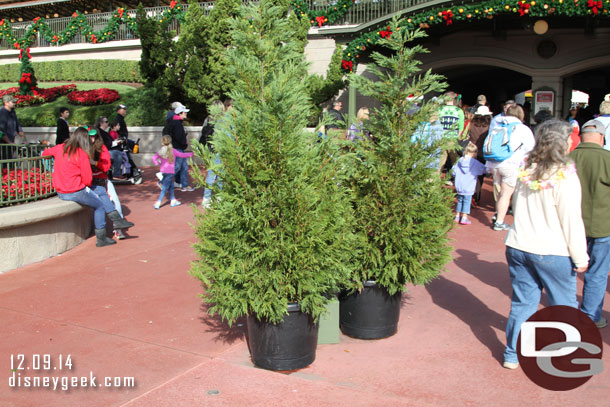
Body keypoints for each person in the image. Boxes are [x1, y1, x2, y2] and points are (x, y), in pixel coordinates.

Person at [502, 119, 589, 370]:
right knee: (563, 305)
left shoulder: (526, 168)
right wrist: (580, 257)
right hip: (552, 249)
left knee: (523, 303)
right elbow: (571, 219)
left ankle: (512, 354)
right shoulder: (565, 175)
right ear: (564, 141)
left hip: (519, 244)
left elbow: (516, 207)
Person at [42, 127, 134, 247]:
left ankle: (117, 220)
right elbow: (87, 179)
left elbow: (44, 153)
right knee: (100, 205)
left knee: (101, 189)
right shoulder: (81, 154)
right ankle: (101, 238)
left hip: (61, 190)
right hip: (74, 190)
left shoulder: (60, 148)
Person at [570, 119, 610, 329]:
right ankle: (590, 315)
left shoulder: (568, 158)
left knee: (568, 269)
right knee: (597, 272)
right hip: (603, 225)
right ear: (601, 138)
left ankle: (565, 309)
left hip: (571, 225)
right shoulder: (607, 159)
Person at [485, 105, 535, 231]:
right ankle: (500, 221)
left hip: (493, 162)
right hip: (511, 164)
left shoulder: (497, 125)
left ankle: (499, 213)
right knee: (506, 194)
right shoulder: (523, 129)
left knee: (500, 192)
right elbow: (531, 148)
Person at [89, 127, 132, 240]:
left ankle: (118, 229)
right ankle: (101, 235)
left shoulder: (102, 148)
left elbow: (106, 166)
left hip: (101, 181)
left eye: (93, 135)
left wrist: (94, 162)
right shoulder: (79, 149)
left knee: (115, 202)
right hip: (86, 184)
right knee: (98, 207)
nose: (91, 138)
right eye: (89, 136)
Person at [152, 135, 194, 209]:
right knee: (165, 188)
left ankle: (173, 199)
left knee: (171, 185)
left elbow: (154, 158)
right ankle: (158, 202)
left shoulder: (161, 150)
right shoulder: (173, 150)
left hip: (163, 171)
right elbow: (182, 155)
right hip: (170, 172)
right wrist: (192, 154)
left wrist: (157, 163)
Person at [452, 142, 486, 225]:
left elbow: (453, 171)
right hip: (469, 186)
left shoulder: (459, 161)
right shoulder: (474, 163)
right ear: (474, 152)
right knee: (467, 202)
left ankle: (457, 216)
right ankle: (464, 217)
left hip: (459, 185)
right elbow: (483, 170)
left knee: (460, 200)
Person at [167, 105, 195, 192]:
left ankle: (185, 185)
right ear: (180, 113)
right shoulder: (177, 123)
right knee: (177, 167)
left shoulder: (174, 122)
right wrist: (184, 142)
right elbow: (179, 136)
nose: (186, 113)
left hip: (177, 147)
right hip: (177, 148)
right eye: (184, 112)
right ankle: (163, 181)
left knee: (184, 167)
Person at [468, 106, 492, 203]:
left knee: (470, 173)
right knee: (480, 175)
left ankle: (468, 193)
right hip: (483, 152)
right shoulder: (489, 126)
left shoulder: (471, 124)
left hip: (471, 150)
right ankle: (476, 196)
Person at [437, 91, 465, 173]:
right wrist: (458, 137)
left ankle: (436, 180)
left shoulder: (439, 109)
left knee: (440, 160)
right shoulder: (459, 111)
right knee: (455, 159)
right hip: (453, 138)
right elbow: (461, 126)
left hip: (441, 137)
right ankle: (457, 177)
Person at [0, 94, 25, 160]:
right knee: (5, 162)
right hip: (3, 142)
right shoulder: (2, 113)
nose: (15, 103)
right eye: (13, 102)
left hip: (10, 141)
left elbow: (17, 125)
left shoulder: (12, 111)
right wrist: (9, 142)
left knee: (10, 160)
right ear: (6, 103)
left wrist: (24, 139)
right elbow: (1, 131)